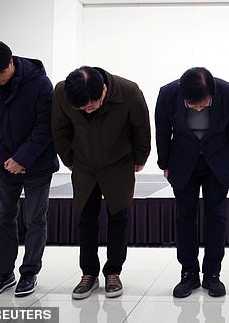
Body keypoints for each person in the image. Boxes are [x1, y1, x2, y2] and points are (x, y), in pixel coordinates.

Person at [51, 66, 150, 299]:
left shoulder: (129, 92)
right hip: (84, 165)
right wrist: (68, 160)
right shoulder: (61, 93)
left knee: (118, 218)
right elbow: (59, 129)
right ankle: (88, 273)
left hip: (119, 163)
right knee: (86, 219)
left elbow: (142, 129)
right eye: (82, 107)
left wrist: (140, 158)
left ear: (104, 89)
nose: (88, 109)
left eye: (92, 104)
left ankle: (113, 271)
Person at [0, 38, 59, 298]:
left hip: (37, 164)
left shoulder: (40, 84)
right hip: (2, 166)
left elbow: (45, 126)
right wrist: (2, 159)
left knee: (34, 219)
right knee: (3, 218)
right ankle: (3, 274)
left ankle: (29, 272)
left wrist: (22, 159)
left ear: (10, 62)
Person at [155, 67, 229, 298]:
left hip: (217, 162)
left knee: (217, 216)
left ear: (212, 95)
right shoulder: (167, 94)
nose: (197, 109)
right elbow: (162, 131)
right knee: (184, 217)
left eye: (202, 105)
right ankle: (189, 274)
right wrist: (164, 162)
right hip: (183, 162)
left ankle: (212, 274)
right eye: (191, 106)